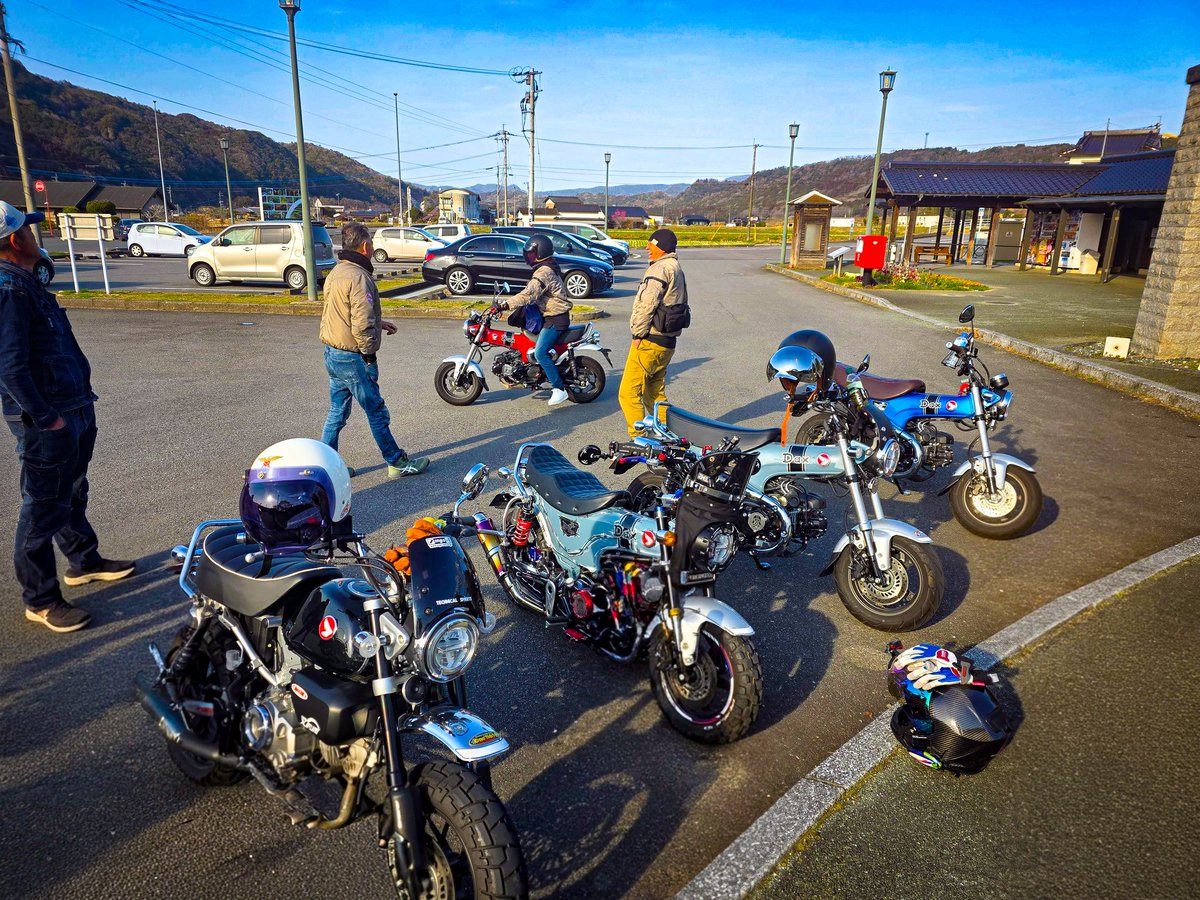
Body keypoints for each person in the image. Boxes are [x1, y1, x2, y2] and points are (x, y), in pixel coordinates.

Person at [0, 201, 135, 633]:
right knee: (41, 505)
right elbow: (9, 368)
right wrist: (47, 418)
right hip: (47, 419)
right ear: (17, 239)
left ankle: (83, 560)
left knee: (73, 489)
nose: (37, 239)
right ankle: (40, 599)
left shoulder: (24, 282)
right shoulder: (8, 290)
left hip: (73, 405)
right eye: (31, 233)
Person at [320, 222, 428, 477]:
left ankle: (325, 466)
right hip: (352, 356)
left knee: (337, 411)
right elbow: (361, 321)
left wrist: (379, 322)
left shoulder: (338, 272)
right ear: (365, 246)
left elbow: (342, 313)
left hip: (332, 352)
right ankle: (396, 462)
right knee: (376, 410)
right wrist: (369, 356)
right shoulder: (359, 277)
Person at [619, 228, 689, 436]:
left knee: (628, 393)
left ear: (661, 247)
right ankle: (671, 432)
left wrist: (638, 334)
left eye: (651, 244)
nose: (647, 248)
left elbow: (646, 304)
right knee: (654, 393)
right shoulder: (676, 267)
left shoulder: (659, 269)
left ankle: (640, 438)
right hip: (667, 341)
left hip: (650, 340)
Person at [500, 234, 574, 407]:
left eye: (532, 253)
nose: (528, 256)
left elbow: (529, 294)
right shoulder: (546, 267)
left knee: (540, 352)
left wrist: (505, 305)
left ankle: (559, 388)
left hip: (556, 319)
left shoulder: (544, 271)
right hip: (550, 316)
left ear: (541, 253)